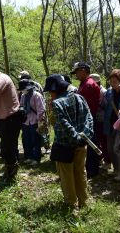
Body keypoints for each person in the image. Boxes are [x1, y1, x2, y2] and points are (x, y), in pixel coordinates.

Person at [44, 74, 93, 208]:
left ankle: (71, 204)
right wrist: (84, 136)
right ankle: (84, 201)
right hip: (82, 143)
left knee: (67, 176)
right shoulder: (80, 97)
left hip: (65, 145)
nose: (49, 94)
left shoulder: (56, 104)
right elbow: (89, 118)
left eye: (50, 91)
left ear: (54, 90)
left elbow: (61, 124)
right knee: (80, 172)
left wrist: (75, 137)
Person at [71, 62, 100, 178]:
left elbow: (86, 106)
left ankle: (92, 171)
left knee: (92, 145)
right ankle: (91, 169)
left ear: (83, 70)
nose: (76, 75)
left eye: (77, 72)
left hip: (89, 119)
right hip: (88, 119)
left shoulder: (88, 84)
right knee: (89, 145)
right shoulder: (84, 83)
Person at [103, 69, 120, 179]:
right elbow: (105, 105)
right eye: (111, 81)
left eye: (114, 81)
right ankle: (116, 170)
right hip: (110, 123)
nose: (112, 83)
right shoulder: (108, 92)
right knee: (110, 148)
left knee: (119, 149)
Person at [19, 79, 46, 165]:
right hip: (26, 121)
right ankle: (29, 157)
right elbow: (21, 106)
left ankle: (36, 158)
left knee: (35, 141)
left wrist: (39, 121)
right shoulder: (23, 96)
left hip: (35, 121)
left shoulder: (36, 95)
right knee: (27, 140)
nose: (23, 90)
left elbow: (41, 109)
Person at [90, 73, 109, 169]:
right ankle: (100, 158)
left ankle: (107, 161)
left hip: (102, 119)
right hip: (95, 118)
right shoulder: (94, 91)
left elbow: (106, 106)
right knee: (97, 140)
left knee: (104, 141)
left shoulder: (104, 92)